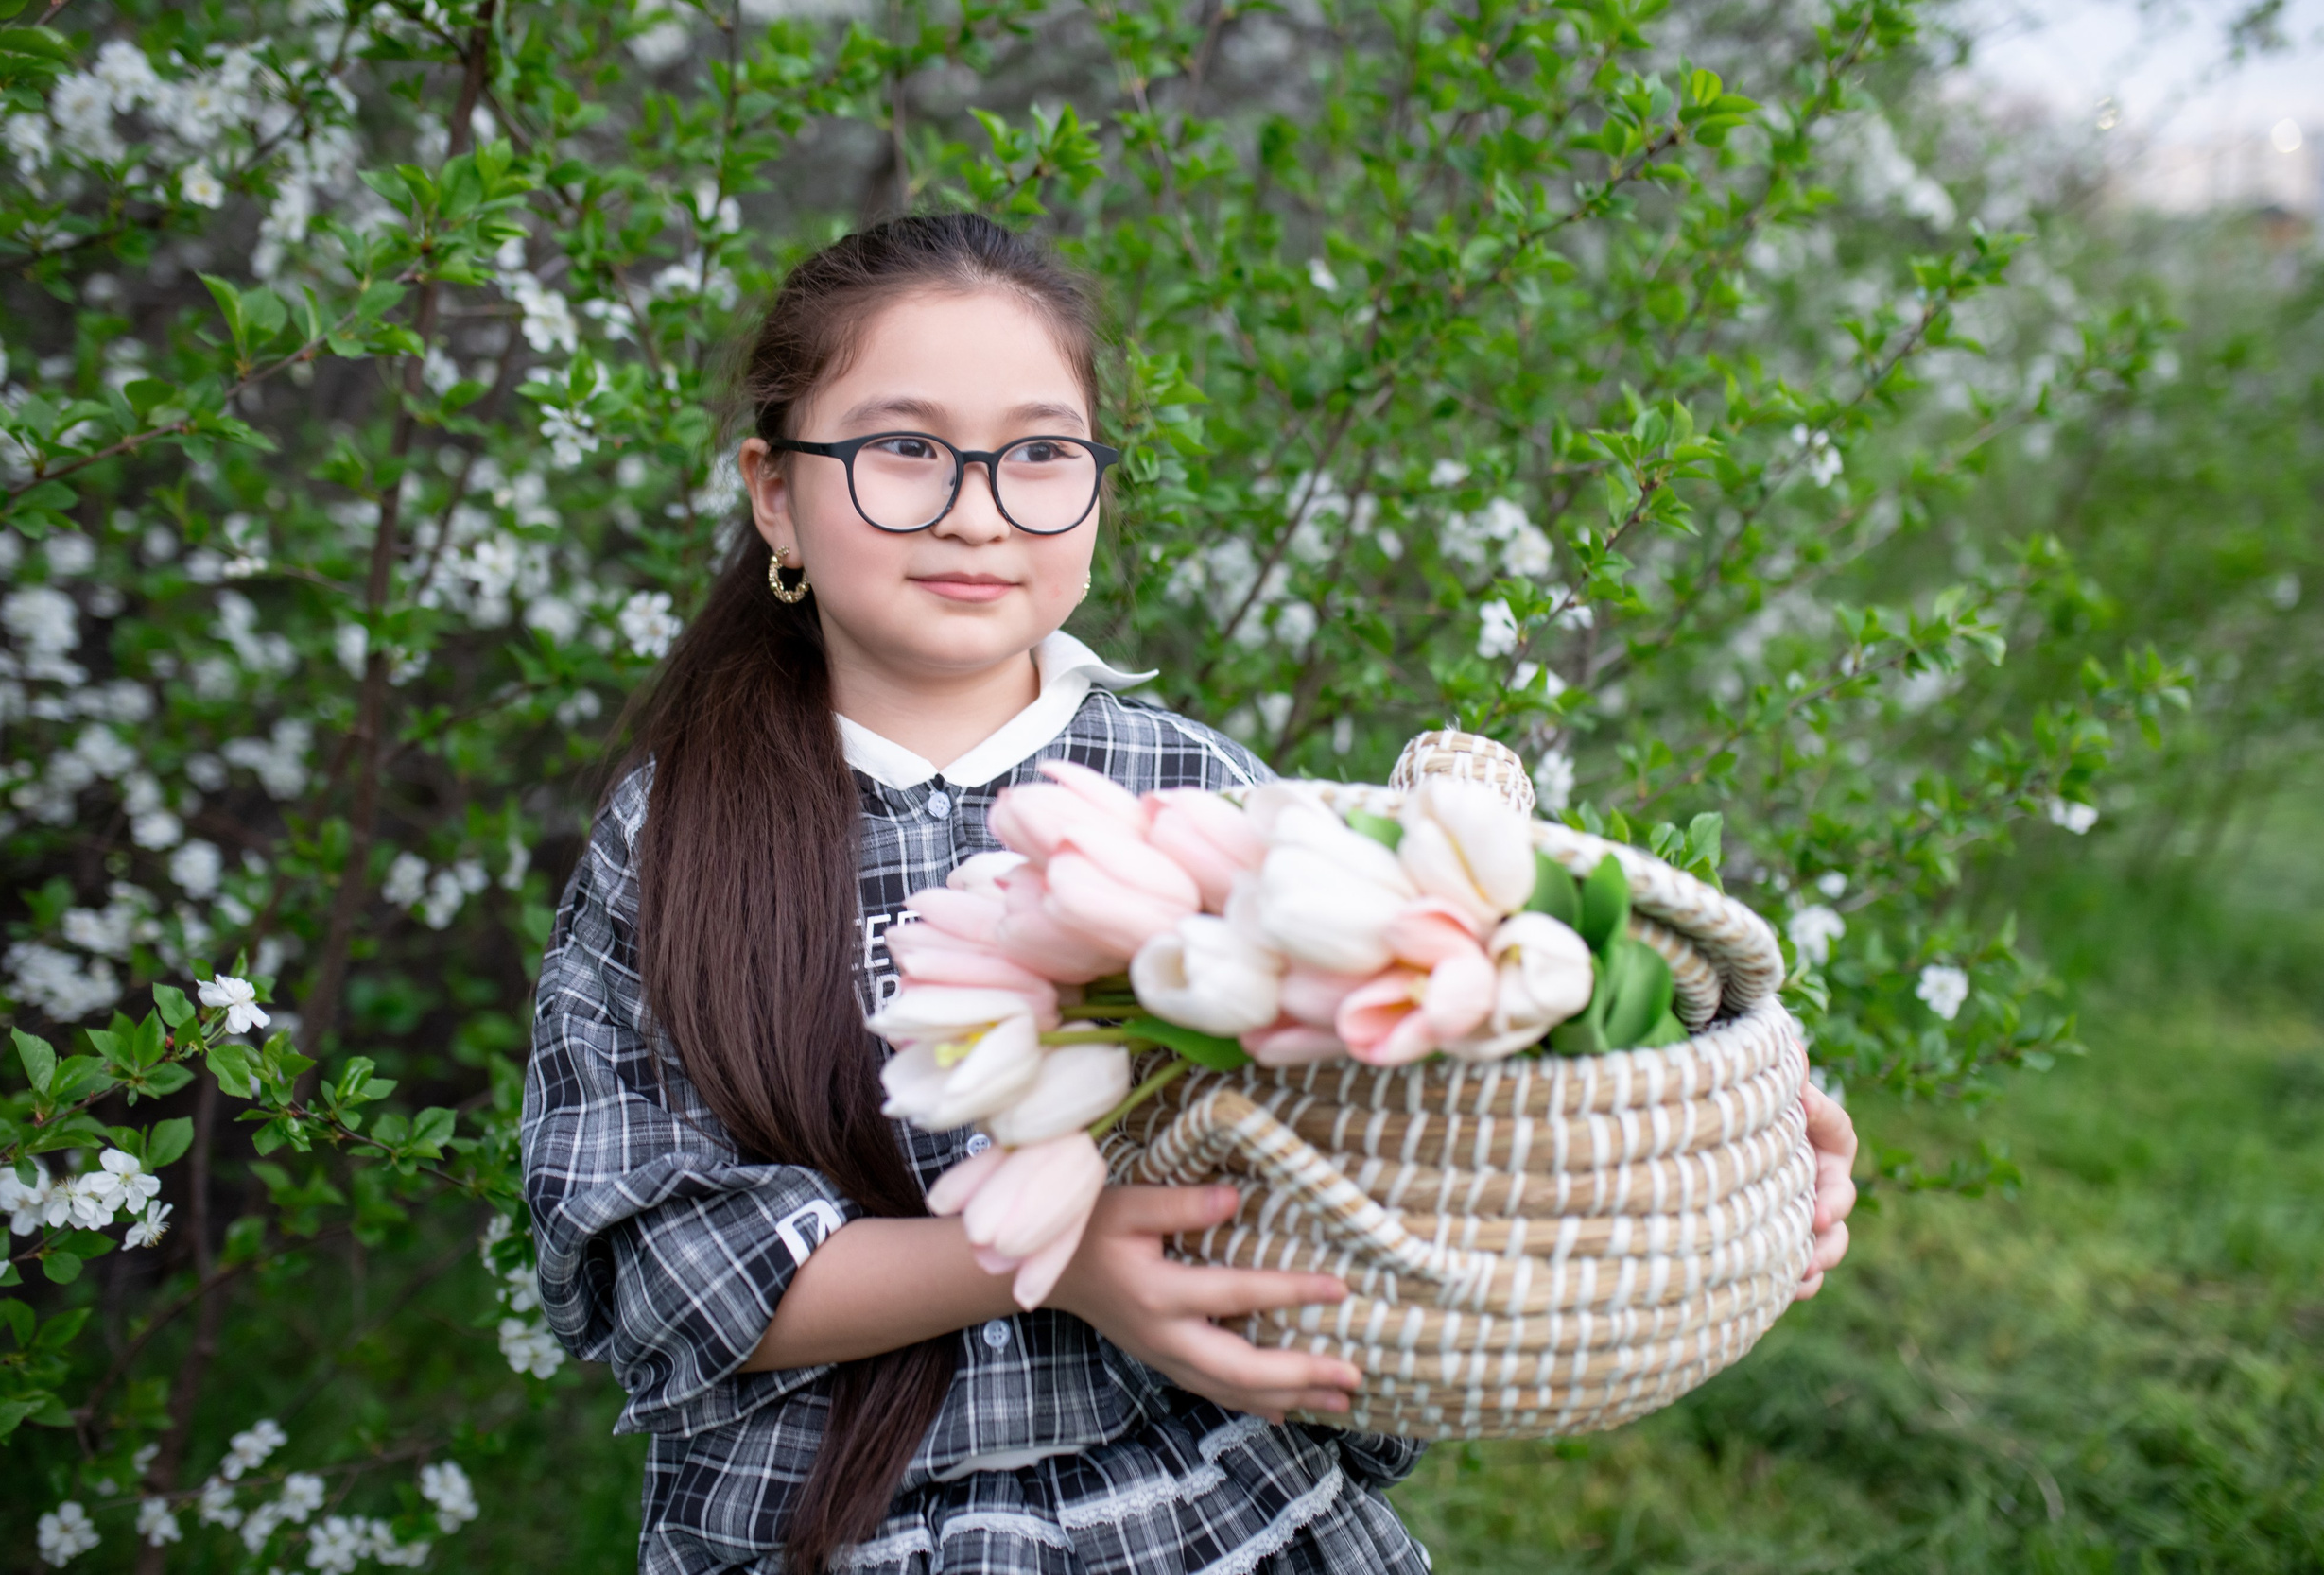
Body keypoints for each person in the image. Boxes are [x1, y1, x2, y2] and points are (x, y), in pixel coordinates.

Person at [521, 213, 1860, 1575]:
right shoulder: (678, 838)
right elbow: (654, 1269)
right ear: (775, 492)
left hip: (1218, 1510)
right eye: (903, 449)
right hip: (829, 1528)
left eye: (1041, 453)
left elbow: (1386, 1121)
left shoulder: (1200, 793)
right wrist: (1050, 1255)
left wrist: (1713, 1147)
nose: (977, 509)